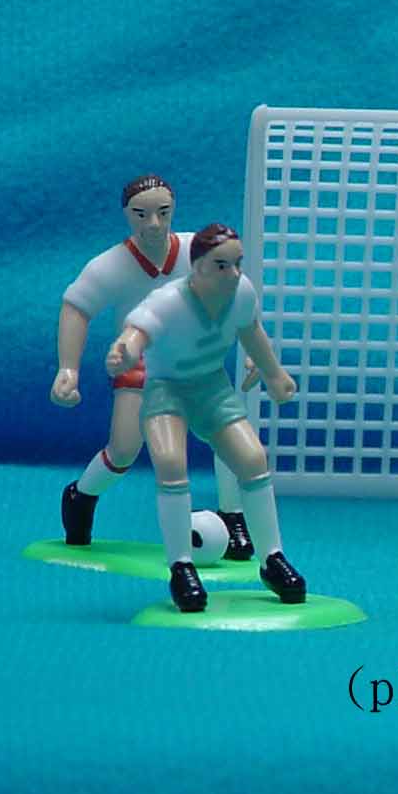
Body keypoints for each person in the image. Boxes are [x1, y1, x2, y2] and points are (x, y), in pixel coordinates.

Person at [106, 224, 303, 612]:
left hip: (213, 388)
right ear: (197, 268)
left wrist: (274, 374)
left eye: (237, 264)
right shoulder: (168, 302)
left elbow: (252, 333)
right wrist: (124, 351)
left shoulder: (242, 294)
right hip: (168, 391)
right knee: (170, 462)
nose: (233, 274)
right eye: (221, 265)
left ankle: (272, 559)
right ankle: (181, 567)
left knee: (252, 459)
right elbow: (136, 331)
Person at [52, 175, 251, 558]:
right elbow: (76, 307)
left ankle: (233, 515)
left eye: (162, 212)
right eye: (141, 214)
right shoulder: (111, 266)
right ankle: (82, 495)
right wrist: (68, 369)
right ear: (127, 215)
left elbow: (236, 297)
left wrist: (254, 352)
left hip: (196, 365)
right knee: (124, 450)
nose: (154, 224)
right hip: (140, 366)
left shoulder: (197, 252)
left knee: (225, 435)